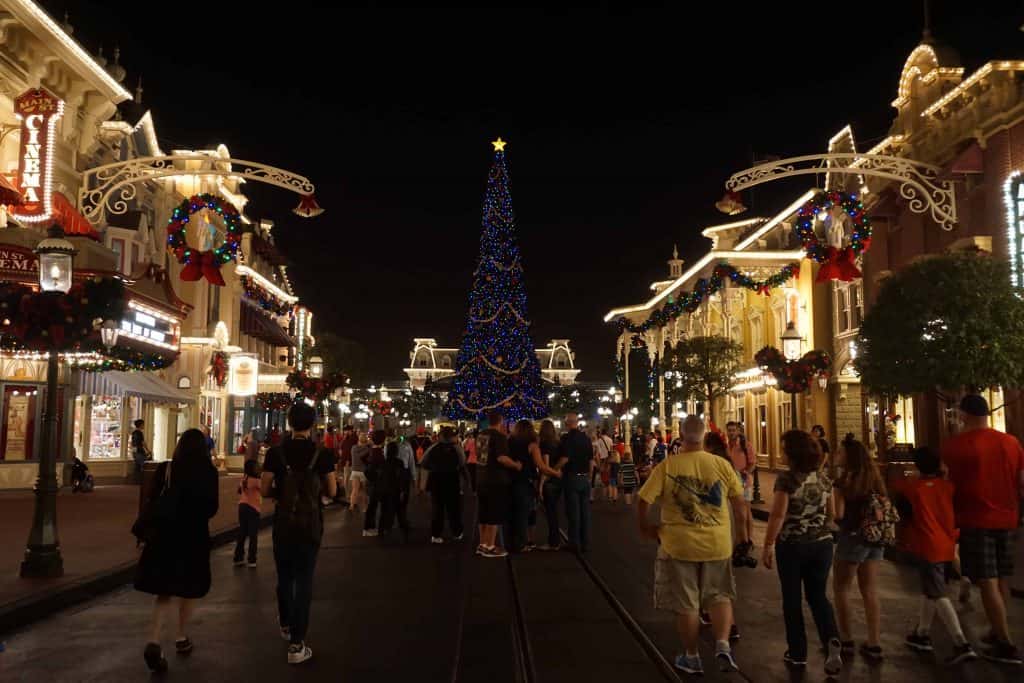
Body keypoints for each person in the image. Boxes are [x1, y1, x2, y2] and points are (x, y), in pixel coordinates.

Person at [637, 416, 749, 675]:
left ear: (681, 435)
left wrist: (645, 527)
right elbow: (740, 504)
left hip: (679, 545)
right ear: (703, 435)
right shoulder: (721, 464)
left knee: (687, 603)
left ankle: (692, 656)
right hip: (717, 543)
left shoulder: (668, 466)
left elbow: (644, 499)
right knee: (720, 595)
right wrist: (742, 536)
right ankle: (722, 644)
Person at [942, 394, 1024, 665]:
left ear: (964, 414)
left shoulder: (956, 446)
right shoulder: (1011, 443)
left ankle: (1005, 643)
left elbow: (948, 485)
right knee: (1002, 577)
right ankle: (998, 629)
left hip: (976, 518)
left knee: (986, 580)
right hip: (1008, 516)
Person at [135, 428, 219, 672]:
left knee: (164, 590)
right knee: (190, 587)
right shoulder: (208, 472)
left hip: (164, 536)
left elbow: (152, 499)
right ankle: (181, 636)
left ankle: (153, 639)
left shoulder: (166, 469)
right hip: (193, 536)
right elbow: (211, 508)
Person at [761, 430, 843, 676]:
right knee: (818, 596)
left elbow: (778, 514)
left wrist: (767, 544)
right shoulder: (823, 478)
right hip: (822, 544)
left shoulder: (787, 480)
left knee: (792, 598)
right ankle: (831, 638)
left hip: (793, 545)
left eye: (784, 449)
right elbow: (832, 515)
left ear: (793, 454)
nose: (782, 453)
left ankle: (797, 652)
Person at [261, 402, 337, 665]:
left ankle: (285, 624)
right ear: (312, 423)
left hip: (283, 521)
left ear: (290, 422)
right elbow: (332, 490)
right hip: (310, 523)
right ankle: (297, 643)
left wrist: (281, 494)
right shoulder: (322, 455)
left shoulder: (275, 454)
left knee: (284, 575)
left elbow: (264, 488)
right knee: (304, 580)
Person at [899, 446, 978, 665]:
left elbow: (906, 516)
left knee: (938, 593)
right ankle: (922, 633)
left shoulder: (912, 490)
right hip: (947, 542)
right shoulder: (948, 487)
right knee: (931, 590)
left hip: (926, 545)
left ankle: (960, 642)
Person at [832, 434, 886, 662]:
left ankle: (846, 639)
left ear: (848, 457)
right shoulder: (874, 479)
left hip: (852, 538)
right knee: (870, 590)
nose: (836, 455)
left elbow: (839, 515)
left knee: (842, 588)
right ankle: (874, 642)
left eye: (840, 452)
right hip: (874, 538)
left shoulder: (843, 482)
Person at [508, 419, 562, 552]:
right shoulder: (532, 445)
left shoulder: (509, 442)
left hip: (511, 481)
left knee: (513, 513)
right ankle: (521, 544)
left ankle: (512, 541)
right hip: (525, 481)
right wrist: (555, 473)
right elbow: (541, 465)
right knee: (523, 513)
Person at [476, 411, 521, 558]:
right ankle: (490, 546)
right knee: (494, 513)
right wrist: (515, 465)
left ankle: (482, 544)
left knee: (483, 513)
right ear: (500, 421)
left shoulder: (481, 435)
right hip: (495, 479)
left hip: (481, 478)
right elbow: (502, 458)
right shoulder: (499, 437)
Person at [421, 426, 468, 543]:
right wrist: (467, 482)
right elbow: (462, 465)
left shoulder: (433, 448)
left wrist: (423, 484)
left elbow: (424, 463)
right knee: (454, 508)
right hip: (452, 480)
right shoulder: (457, 449)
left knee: (437, 508)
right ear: (452, 437)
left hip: (436, 480)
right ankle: (457, 532)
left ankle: (436, 534)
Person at [559, 413, 594, 553]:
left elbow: (565, 459)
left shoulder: (566, 439)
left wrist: (553, 469)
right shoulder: (586, 439)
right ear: (577, 422)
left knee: (573, 513)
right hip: (584, 478)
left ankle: (574, 543)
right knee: (585, 513)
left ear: (567, 424)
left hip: (572, 478)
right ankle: (585, 543)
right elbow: (591, 461)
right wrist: (589, 478)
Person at [726, 421, 755, 552]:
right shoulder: (726, 446)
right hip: (732, 484)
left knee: (747, 512)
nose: (731, 433)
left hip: (745, 483)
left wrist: (745, 474)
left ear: (738, 431)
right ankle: (739, 539)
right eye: (729, 430)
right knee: (737, 512)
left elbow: (752, 463)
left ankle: (749, 539)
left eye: (733, 430)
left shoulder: (745, 445)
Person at [538, 419, 564, 550]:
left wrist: (541, 485)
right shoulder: (558, 443)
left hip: (549, 480)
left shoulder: (544, 444)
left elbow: (545, 465)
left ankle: (553, 542)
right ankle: (555, 540)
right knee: (554, 511)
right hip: (558, 480)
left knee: (550, 513)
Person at [377, 439, 411, 539]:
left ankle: (382, 530)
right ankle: (404, 531)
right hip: (396, 490)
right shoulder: (399, 463)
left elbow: (377, 476)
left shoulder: (383, 463)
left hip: (384, 491)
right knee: (400, 512)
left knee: (384, 512)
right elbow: (402, 477)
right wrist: (404, 490)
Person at [233, 459, 262, 567]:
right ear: (253, 469)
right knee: (253, 535)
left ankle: (238, 557)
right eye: (257, 466)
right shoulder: (256, 480)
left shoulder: (244, 478)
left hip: (242, 506)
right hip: (253, 508)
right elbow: (264, 490)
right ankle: (251, 559)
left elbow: (239, 490)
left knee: (242, 532)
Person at [362, 430, 387, 536]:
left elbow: (362, 458)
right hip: (376, 484)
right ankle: (368, 528)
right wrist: (375, 477)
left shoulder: (373, 450)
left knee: (372, 506)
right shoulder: (378, 453)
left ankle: (370, 527)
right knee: (372, 506)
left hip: (372, 483)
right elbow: (370, 470)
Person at [131, 419, 150, 484]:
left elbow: (132, 443)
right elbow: (143, 442)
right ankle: (143, 480)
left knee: (137, 466)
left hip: (134, 451)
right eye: (143, 424)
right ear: (140, 425)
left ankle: (135, 480)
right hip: (140, 451)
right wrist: (148, 450)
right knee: (143, 465)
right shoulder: (139, 433)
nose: (144, 426)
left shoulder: (133, 432)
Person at [606, 433, 622, 503]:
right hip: (616, 475)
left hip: (611, 475)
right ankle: (615, 498)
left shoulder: (611, 463)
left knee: (610, 485)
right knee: (615, 486)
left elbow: (608, 469)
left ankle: (610, 496)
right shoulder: (618, 463)